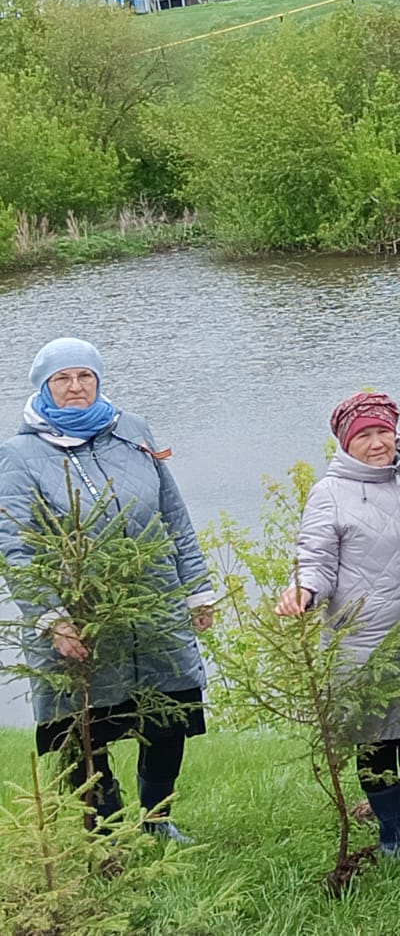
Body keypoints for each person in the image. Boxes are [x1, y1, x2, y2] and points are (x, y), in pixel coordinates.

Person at [0, 337, 215, 840]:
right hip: (77, 612)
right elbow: (15, 547)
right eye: (62, 379)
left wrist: (197, 589)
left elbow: (174, 513)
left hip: (153, 603)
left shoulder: (131, 429)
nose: (75, 387)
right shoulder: (19, 454)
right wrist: (52, 617)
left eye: (84, 377)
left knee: (167, 714)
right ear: (44, 386)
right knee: (80, 726)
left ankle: (156, 817)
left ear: (98, 380)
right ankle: (104, 824)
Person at [275, 392, 400, 861]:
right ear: (345, 442)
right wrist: (303, 591)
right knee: (374, 739)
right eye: (364, 435)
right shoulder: (330, 493)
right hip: (363, 641)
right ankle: (393, 836)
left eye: (383, 431)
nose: (377, 443)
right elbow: (315, 558)